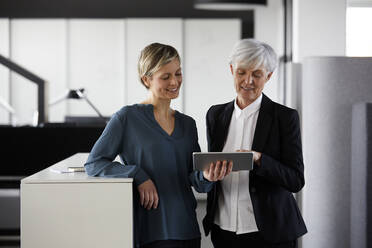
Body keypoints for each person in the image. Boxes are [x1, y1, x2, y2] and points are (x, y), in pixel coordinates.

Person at [84, 43, 231, 248]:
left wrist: (208, 176)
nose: (174, 82)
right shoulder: (126, 118)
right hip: (151, 229)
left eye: (178, 73)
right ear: (147, 79)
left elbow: (194, 177)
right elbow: (94, 163)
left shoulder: (187, 124)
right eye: (166, 76)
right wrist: (137, 174)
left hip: (187, 228)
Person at [202, 39, 307, 248]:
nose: (248, 81)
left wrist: (259, 160)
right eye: (241, 72)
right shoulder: (215, 115)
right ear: (232, 70)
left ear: (268, 76)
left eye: (257, 74)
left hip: (269, 233)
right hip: (224, 230)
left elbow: (295, 180)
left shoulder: (284, 117)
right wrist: (208, 175)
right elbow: (212, 170)